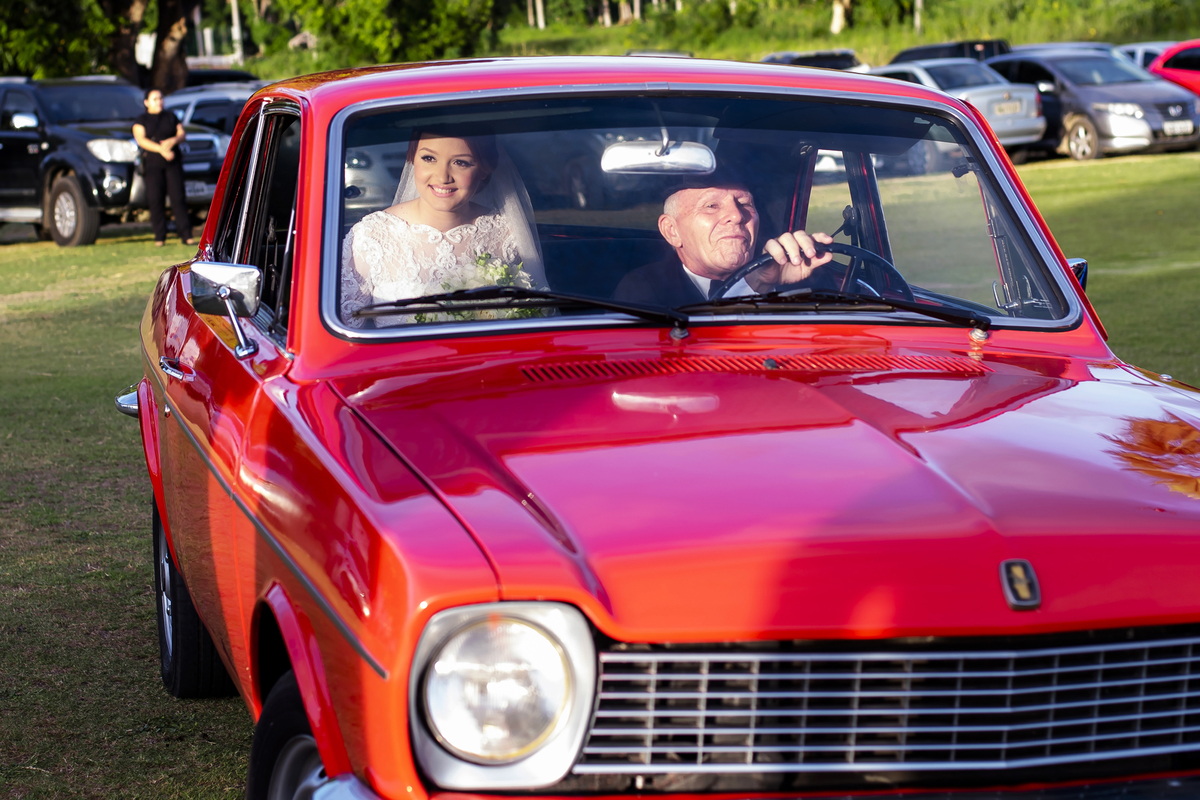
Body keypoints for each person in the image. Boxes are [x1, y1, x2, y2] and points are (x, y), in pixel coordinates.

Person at [340, 131, 545, 327]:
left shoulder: (505, 232)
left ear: (484, 169)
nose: (443, 176)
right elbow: (343, 331)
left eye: (460, 162)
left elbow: (532, 314)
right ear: (412, 160)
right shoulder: (372, 236)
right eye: (429, 158)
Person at [614, 178, 834, 307]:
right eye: (711, 206)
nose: (737, 216)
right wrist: (754, 285)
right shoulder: (645, 291)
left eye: (745, 203)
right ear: (672, 231)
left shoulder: (802, 279)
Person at [132, 89, 194, 247]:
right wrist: (161, 149)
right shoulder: (141, 119)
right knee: (155, 200)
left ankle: (186, 234)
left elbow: (182, 134)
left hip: (173, 163)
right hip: (153, 165)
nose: (159, 101)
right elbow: (141, 139)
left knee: (178, 198)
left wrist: (172, 141)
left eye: (160, 98)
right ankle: (160, 236)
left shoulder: (170, 116)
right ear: (146, 102)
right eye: (155, 99)